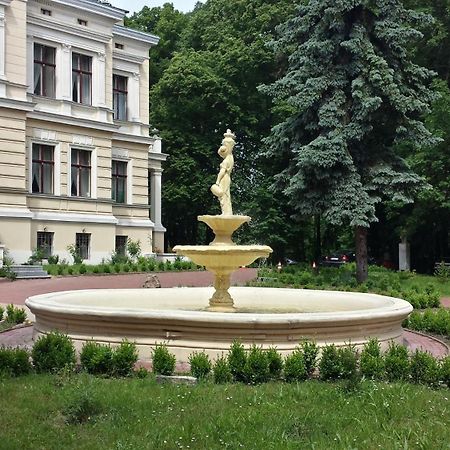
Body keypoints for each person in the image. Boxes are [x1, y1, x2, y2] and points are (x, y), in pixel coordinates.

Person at [211, 129, 235, 215]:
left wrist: (217, 181)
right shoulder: (231, 157)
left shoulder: (226, 161)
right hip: (227, 178)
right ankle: (227, 212)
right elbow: (221, 153)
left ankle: (226, 213)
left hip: (224, 178)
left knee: (223, 195)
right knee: (226, 195)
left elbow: (221, 172)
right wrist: (222, 149)